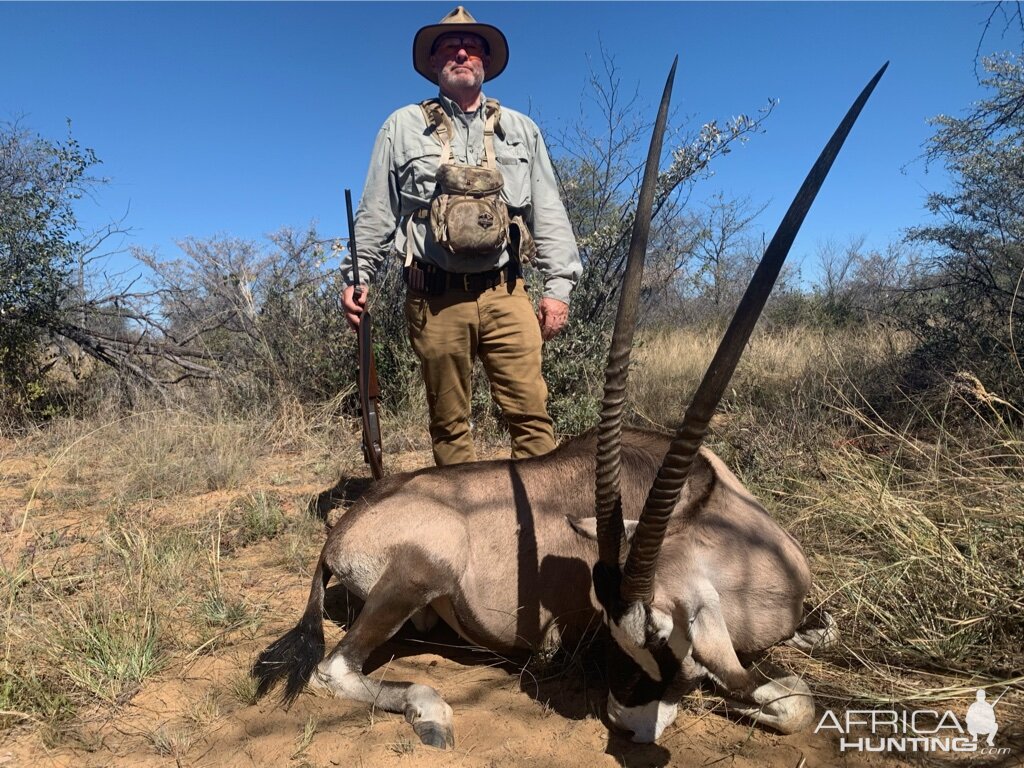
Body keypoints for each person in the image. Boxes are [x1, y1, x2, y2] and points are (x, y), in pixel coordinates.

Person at [341, 6, 581, 467]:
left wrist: (559, 289)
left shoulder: (521, 129)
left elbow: (547, 210)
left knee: (532, 418)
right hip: (435, 296)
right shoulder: (401, 126)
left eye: (472, 46)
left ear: (486, 62)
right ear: (433, 62)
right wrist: (357, 276)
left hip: (505, 292)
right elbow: (377, 209)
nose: (461, 52)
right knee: (450, 425)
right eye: (449, 46)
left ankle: (549, 522)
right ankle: (466, 528)